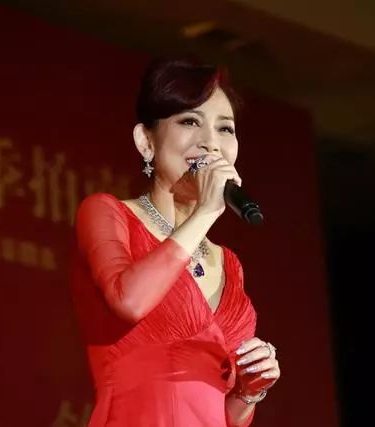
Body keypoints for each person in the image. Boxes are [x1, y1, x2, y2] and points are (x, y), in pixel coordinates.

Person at [70, 58, 281, 427]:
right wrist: (206, 213)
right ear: (146, 141)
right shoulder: (107, 213)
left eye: (225, 128)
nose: (211, 143)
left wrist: (248, 391)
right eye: (190, 122)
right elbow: (129, 300)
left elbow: (222, 415)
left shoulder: (228, 264)